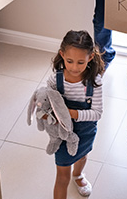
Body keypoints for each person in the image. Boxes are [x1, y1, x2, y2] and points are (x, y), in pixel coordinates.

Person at [47, 30, 104, 198]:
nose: (74, 67)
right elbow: (47, 105)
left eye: (81, 62)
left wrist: (70, 113)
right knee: (62, 177)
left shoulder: (95, 82)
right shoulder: (54, 81)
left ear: (91, 57)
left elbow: (97, 113)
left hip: (85, 131)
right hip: (63, 135)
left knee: (82, 156)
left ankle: (78, 175)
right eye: (69, 61)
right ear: (62, 55)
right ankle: (71, 177)